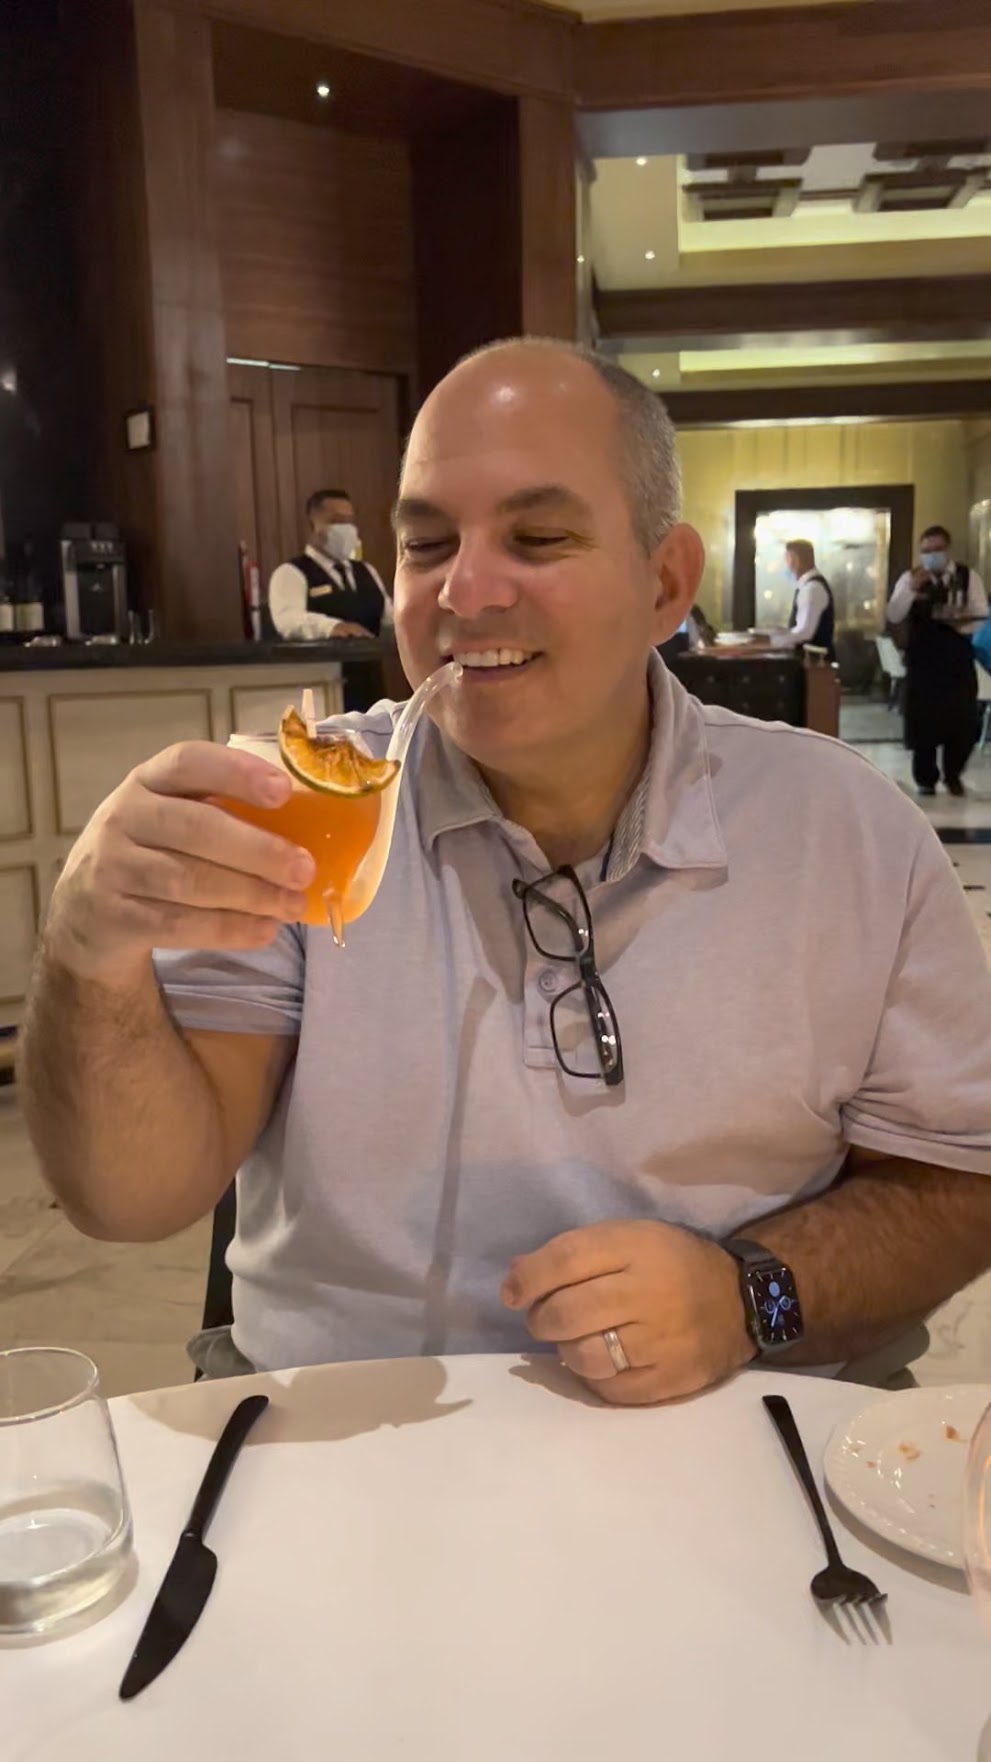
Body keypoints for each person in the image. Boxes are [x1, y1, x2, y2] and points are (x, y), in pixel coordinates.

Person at [21, 341, 991, 1408]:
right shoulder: (304, 816)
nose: (464, 591)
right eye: (425, 544)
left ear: (665, 583)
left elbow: (956, 1181)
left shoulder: (845, 832)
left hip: (741, 1429)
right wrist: (89, 950)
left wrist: (747, 1294)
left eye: (537, 538)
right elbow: (129, 1198)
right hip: (339, 1427)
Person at [267, 488, 394, 711]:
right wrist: (332, 627)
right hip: (321, 690)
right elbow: (288, 620)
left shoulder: (366, 571)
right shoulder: (291, 573)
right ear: (312, 526)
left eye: (349, 521)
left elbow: (389, 618)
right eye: (336, 521)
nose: (346, 529)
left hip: (370, 686)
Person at [887, 524, 988, 797]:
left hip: (956, 659)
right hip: (923, 660)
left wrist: (960, 623)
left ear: (947, 549)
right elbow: (894, 614)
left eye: (937, 550)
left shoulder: (968, 577)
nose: (932, 556)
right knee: (923, 721)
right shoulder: (910, 578)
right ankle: (926, 778)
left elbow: (981, 613)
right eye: (926, 551)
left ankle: (953, 773)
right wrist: (911, 589)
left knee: (963, 720)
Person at [769, 540, 835, 659]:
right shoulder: (807, 587)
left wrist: (772, 642)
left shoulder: (812, 588)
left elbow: (804, 632)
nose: (787, 565)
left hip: (813, 662)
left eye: (787, 559)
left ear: (796, 560)